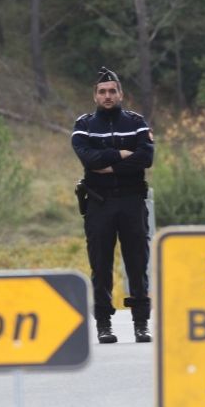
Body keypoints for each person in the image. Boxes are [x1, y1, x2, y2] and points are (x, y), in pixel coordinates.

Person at [71, 67, 154, 343]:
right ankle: (104, 324)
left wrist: (108, 164)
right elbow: (89, 161)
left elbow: (145, 158)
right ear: (95, 96)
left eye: (112, 91)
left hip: (132, 202)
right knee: (101, 265)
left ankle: (141, 323)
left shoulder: (136, 122)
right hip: (99, 204)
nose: (107, 96)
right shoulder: (84, 125)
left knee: (138, 263)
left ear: (121, 94)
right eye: (102, 92)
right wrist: (120, 154)